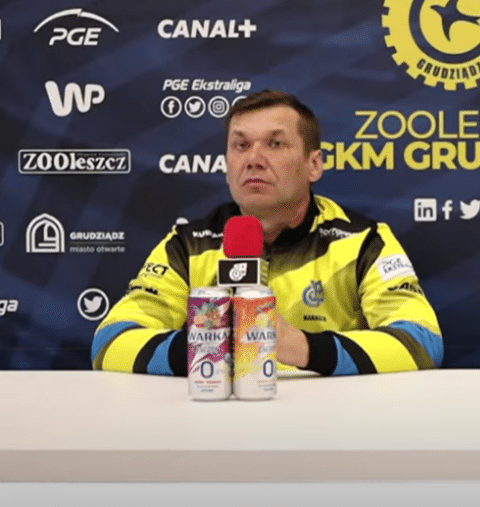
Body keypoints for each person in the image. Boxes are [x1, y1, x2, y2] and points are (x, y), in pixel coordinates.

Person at [92, 90, 443, 376]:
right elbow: (110, 341)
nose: (254, 159)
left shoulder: (363, 241)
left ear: (314, 165)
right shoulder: (189, 244)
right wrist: (207, 348)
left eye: (275, 144)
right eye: (241, 146)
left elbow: (422, 342)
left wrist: (300, 347)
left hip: (331, 424)